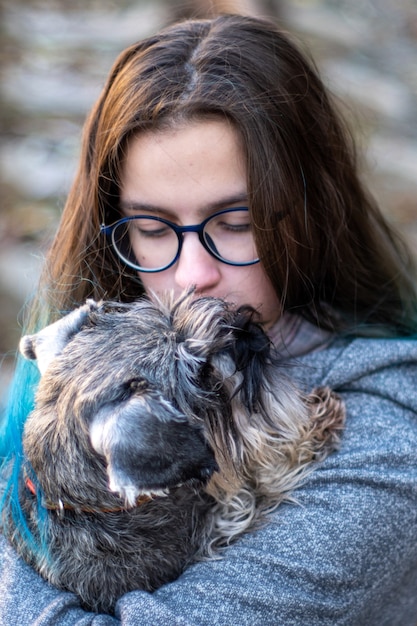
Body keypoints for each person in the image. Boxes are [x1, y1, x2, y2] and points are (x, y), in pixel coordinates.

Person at [1, 13, 417, 625]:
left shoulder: (386, 438)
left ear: (311, 211)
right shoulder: (79, 358)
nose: (193, 274)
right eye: (151, 228)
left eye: (237, 222)